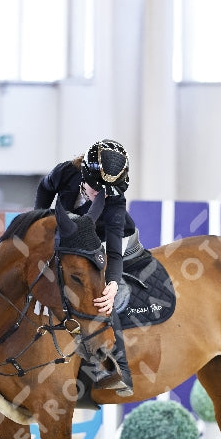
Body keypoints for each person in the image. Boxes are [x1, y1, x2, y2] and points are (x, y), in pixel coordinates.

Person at [35, 139, 135, 395]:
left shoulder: (114, 200)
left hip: (104, 237)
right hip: (70, 230)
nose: (100, 196)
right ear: (84, 175)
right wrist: (40, 220)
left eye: (107, 192)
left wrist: (112, 283)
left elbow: (113, 249)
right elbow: (44, 189)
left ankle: (115, 368)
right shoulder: (65, 172)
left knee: (101, 294)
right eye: (96, 189)